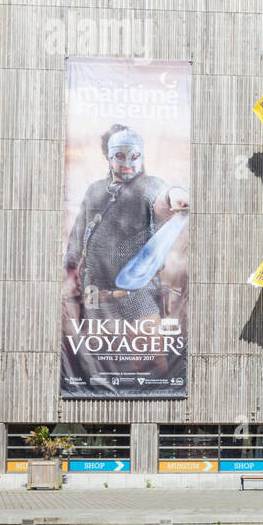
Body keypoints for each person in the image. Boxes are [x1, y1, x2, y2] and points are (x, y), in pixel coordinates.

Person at [62, 124, 190, 394]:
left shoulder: (148, 186)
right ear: (109, 157)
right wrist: (71, 273)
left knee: (154, 369)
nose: (129, 162)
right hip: (96, 300)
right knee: (96, 373)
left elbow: (163, 197)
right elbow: (77, 237)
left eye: (135, 155)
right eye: (120, 156)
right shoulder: (95, 191)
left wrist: (176, 197)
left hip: (137, 300)